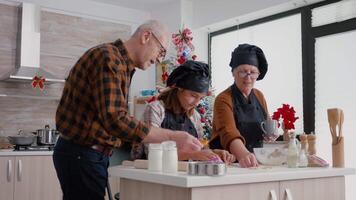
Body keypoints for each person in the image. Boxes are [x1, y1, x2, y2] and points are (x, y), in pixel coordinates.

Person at [53, 20, 202, 200]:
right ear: (146, 36)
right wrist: (172, 136)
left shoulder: (122, 65)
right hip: (82, 154)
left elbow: (112, 119)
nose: (159, 59)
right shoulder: (108, 58)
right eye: (161, 51)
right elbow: (116, 119)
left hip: (87, 154)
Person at [131, 60, 235, 163]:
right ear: (178, 89)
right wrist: (194, 155)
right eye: (193, 95)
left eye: (201, 98)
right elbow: (152, 153)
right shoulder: (156, 109)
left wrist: (214, 153)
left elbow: (200, 148)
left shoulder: (194, 116)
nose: (196, 103)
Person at [210, 44, 275, 168]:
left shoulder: (259, 96)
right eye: (243, 72)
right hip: (229, 163)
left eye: (253, 72)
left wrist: (270, 135)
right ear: (233, 73)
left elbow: (267, 125)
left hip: (255, 161)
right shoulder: (223, 99)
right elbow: (229, 132)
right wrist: (243, 154)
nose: (248, 77)